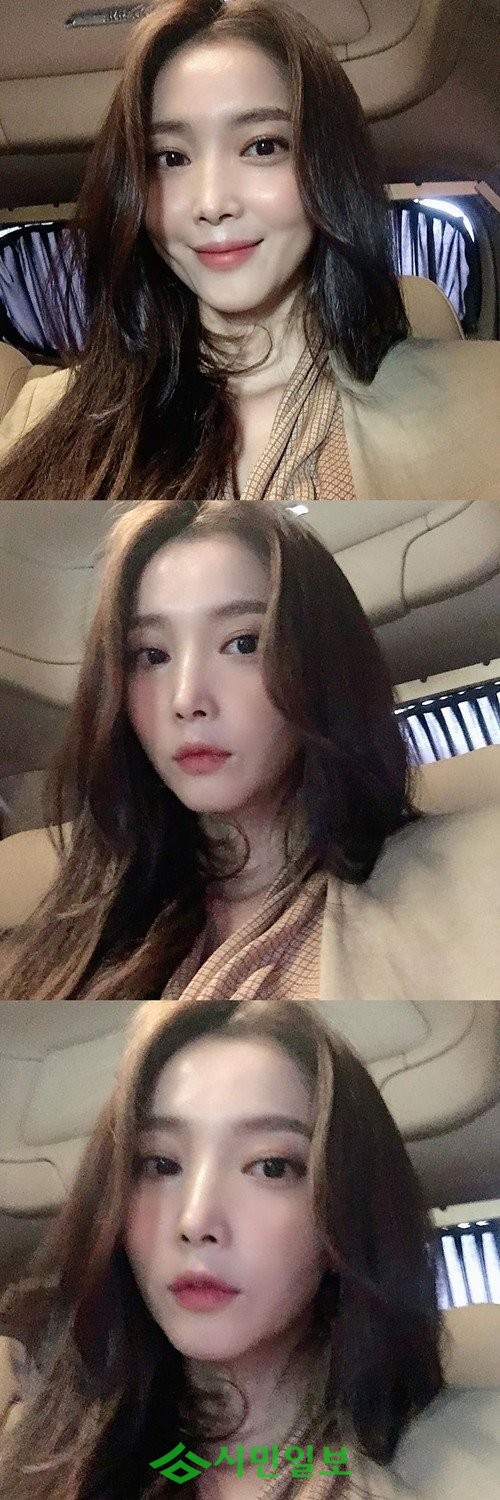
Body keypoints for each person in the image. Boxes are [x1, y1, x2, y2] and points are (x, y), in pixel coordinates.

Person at [0, 499, 498, 1002]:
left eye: (243, 644)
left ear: (320, 665)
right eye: (151, 655)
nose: (186, 700)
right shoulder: (64, 939)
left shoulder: (474, 878)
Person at [0, 0, 497, 503]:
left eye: (262, 147)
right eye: (170, 157)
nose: (211, 204)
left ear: (328, 167)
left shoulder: (482, 404)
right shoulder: (39, 416)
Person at [0, 997, 449, 1500]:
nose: (195, 1222)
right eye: (160, 1164)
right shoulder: (34, 1451)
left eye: (272, 1167)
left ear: (348, 1207)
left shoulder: (453, 1465)